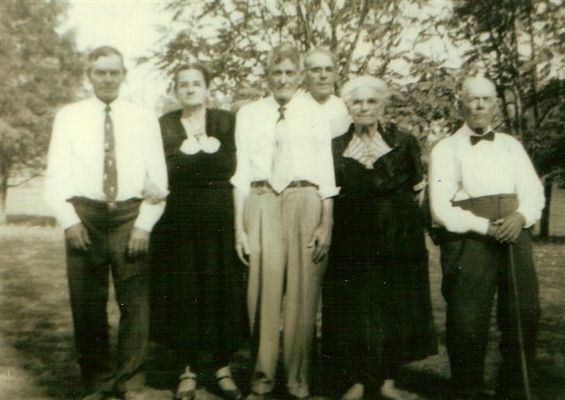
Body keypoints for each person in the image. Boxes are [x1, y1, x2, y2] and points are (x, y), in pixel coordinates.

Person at [44, 46, 168, 400]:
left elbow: (157, 179)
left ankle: (131, 381)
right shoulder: (69, 117)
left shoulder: (143, 118)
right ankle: (97, 382)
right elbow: (55, 177)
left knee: (136, 305)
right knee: (87, 305)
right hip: (86, 216)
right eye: (101, 72)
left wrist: (145, 224)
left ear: (124, 75)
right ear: (90, 76)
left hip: (130, 215)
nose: (108, 78)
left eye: (115, 72)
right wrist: (69, 221)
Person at [231, 44, 337, 400]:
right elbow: (241, 174)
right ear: (267, 77)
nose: (283, 80)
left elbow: (326, 173)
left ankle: (297, 380)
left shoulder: (315, 114)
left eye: (290, 73)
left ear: (300, 76)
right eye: (276, 73)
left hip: (305, 199)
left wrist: (326, 224)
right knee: (262, 292)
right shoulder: (249, 113)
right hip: (261, 199)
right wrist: (239, 229)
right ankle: (261, 380)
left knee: (303, 296)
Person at [429, 76, 544, 400]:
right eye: (472, 99)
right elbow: (440, 208)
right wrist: (485, 227)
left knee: (523, 312)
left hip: (513, 231)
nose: (479, 105)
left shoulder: (511, 145)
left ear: (496, 104)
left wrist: (521, 217)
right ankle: (467, 388)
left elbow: (533, 192)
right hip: (469, 239)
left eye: (486, 99)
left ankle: (516, 388)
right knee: (467, 317)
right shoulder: (446, 148)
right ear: (460, 104)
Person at [322, 76, 437, 400]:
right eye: (357, 102)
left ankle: (387, 381)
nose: (364, 107)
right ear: (348, 106)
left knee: (393, 307)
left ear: (382, 105)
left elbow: (418, 191)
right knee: (354, 307)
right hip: (352, 240)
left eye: (371, 101)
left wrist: (408, 230)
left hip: (397, 238)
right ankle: (356, 381)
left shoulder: (405, 142)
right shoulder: (335, 146)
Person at [149, 63, 246, 400]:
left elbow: (233, 167)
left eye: (196, 83)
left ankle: (222, 368)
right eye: (183, 84)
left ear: (208, 87)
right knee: (184, 290)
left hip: (220, 217)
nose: (190, 89)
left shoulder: (227, 121)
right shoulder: (163, 125)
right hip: (177, 222)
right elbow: (161, 170)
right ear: (175, 90)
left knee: (221, 289)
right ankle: (187, 370)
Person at [302, 47, 351, 138]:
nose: (323, 75)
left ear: (335, 75)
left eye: (328, 69)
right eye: (316, 70)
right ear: (305, 75)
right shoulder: (293, 108)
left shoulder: (343, 107)